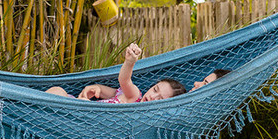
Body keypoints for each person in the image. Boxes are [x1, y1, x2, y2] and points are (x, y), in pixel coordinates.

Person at [46, 43, 186, 103]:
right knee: (57, 90)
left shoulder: (136, 105)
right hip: (78, 108)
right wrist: (95, 88)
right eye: (155, 89)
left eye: (160, 99)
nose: (153, 97)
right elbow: (123, 82)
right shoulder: (134, 95)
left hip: (86, 120)